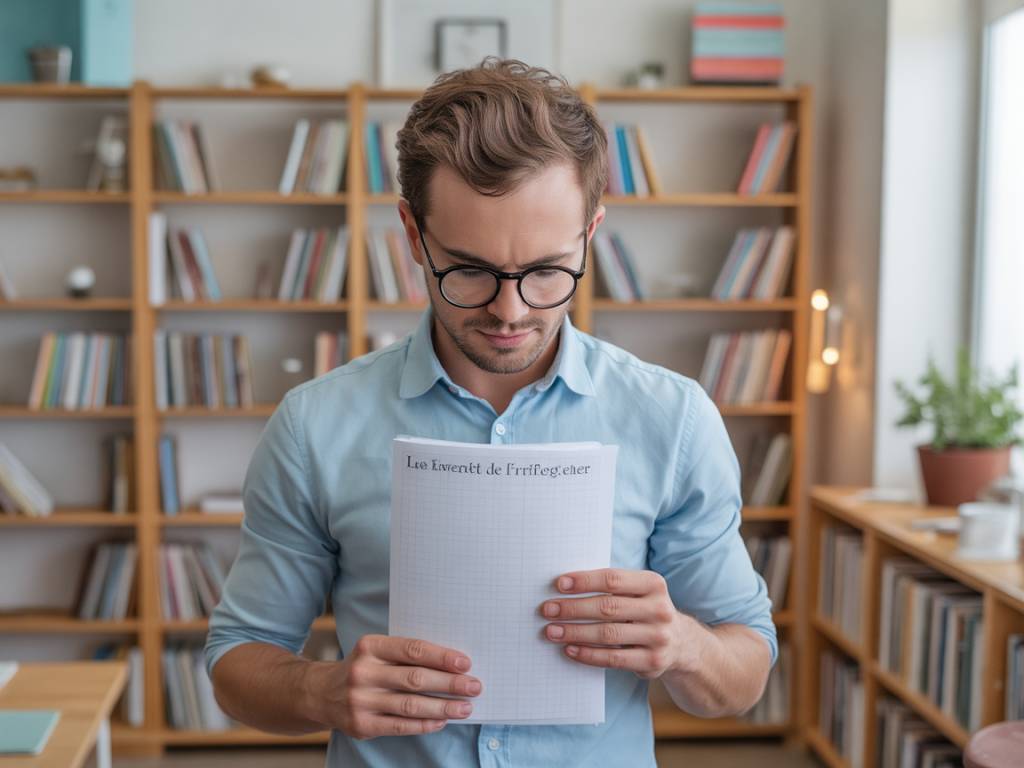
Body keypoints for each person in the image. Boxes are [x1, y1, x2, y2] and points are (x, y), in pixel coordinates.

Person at [205, 58, 776, 768]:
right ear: (413, 236)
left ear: (590, 234)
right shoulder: (315, 425)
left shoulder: (674, 419)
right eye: (469, 269)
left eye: (546, 271)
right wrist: (324, 691)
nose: (510, 311)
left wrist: (684, 645)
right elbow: (236, 665)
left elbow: (744, 674)